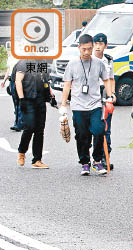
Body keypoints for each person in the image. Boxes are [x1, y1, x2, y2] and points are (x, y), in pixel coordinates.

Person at [60, 34, 112, 176]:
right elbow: (67, 84)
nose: (87, 52)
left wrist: (110, 95)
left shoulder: (99, 63)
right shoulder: (72, 64)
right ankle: (84, 162)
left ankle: (97, 161)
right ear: (79, 48)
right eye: (84, 49)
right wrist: (63, 104)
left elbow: (106, 79)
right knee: (82, 135)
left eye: (90, 49)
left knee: (99, 130)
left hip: (95, 104)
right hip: (78, 106)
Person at [15, 59, 55, 168]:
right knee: (30, 127)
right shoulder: (24, 62)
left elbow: (45, 81)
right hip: (28, 100)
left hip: (40, 99)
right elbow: (18, 80)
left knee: (40, 130)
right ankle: (22, 152)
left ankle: (37, 160)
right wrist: (21, 99)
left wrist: (51, 95)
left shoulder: (42, 63)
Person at [93, 33, 116, 170]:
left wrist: (111, 95)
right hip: (92, 94)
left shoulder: (108, 60)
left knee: (106, 128)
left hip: (105, 93)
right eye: (95, 44)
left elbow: (111, 78)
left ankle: (105, 157)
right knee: (94, 128)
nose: (97, 47)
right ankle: (92, 156)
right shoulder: (88, 59)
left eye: (100, 44)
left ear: (105, 46)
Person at [1, 52, 22, 131]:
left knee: (19, 102)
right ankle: (19, 121)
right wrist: (4, 80)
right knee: (16, 102)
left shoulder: (21, 56)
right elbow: (9, 69)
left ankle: (18, 124)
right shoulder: (11, 57)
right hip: (12, 81)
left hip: (20, 81)